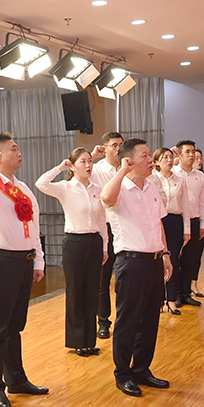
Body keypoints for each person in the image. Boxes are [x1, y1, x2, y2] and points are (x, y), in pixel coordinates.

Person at [0, 132, 49, 407]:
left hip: (24, 261)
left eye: (18, 148)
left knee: (15, 325)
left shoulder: (23, 187)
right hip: (2, 260)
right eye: (13, 149)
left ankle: (16, 379)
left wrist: (38, 260)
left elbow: (34, 226)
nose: (19, 153)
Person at [100, 139, 174, 397]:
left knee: (150, 320)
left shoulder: (151, 186)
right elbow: (106, 198)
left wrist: (166, 254)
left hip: (154, 261)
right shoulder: (119, 187)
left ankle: (142, 369)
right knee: (128, 321)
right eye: (145, 155)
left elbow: (159, 223)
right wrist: (122, 170)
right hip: (131, 264)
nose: (151, 160)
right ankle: (122, 373)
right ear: (129, 160)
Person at [35, 147, 108, 357]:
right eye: (83, 161)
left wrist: (104, 246)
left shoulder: (97, 189)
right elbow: (41, 183)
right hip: (74, 243)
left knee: (92, 292)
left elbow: (102, 221)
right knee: (75, 292)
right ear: (73, 166)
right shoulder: (65, 187)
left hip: (94, 242)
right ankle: (77, 342)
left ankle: (89, 341)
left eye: (90, 161)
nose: (88, 165)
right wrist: (60, 167)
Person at [90, 131, 124, 339]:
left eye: (121, 144)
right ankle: (103, 321)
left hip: (125, 228)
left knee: (123, 279)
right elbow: (74, 170)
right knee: (103, 280)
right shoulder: (96, 169)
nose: (118, 148)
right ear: (104, 148)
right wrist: (92, 156)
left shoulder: (128, 168)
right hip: (105, 228)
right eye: (114, 145)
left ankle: (124, 320)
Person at [152, 147, 190, 315]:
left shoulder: (180, 180)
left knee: (173, 260)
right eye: (164, 157)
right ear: (157, 162)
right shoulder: (152, 179)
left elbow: (186, 206)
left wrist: (187, 229)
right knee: (157, 261)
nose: (169, 160)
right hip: (158, 221)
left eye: (170, 157)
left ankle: (172, 299)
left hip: (175, 221)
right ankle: (158, 300)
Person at [175, 140, 204, 304]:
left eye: (193, 151)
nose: (191, 155)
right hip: (177, 221)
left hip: (194, 221)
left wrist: (203, 224)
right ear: (179, 154)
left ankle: (186, 294)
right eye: (187, 152)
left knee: (190, 260)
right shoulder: (173, 173)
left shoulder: (202, 177)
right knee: (176, 260)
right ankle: (174, 295)